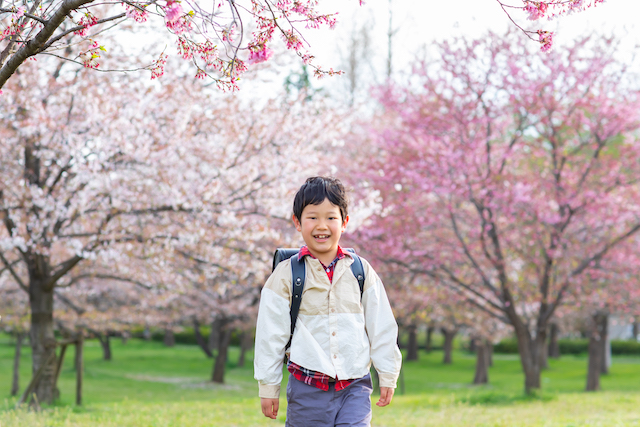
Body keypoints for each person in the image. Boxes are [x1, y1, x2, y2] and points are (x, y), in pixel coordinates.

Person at [254, 176, 403, 427]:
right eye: (312, 217)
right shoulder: (287, 274)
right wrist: (268, 386)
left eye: (331, 217)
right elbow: (271, 335)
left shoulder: (361, 271)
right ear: (297, 222)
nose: (321, 225)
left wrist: (387, 373)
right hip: (307, 389)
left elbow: (382, 325)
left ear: (344, 222)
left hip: (354, 388)